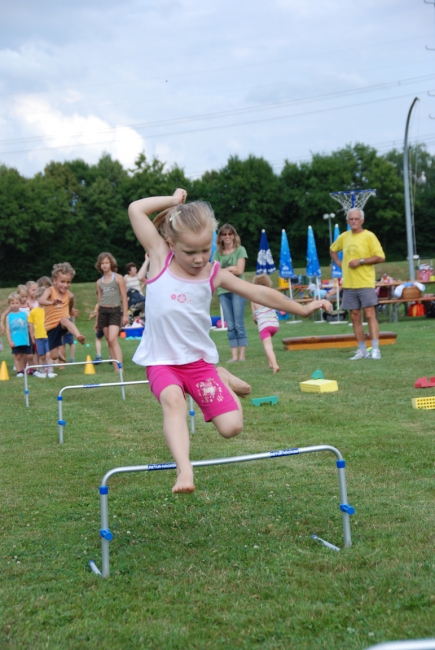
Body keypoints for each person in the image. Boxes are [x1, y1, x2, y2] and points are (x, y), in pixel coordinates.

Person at [128, 189, 332, 494]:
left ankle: (221, 375)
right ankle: (185, 471)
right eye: (189, 252)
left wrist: (301, 308)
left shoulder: (214, 274)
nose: (198, 259)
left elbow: (260, 293)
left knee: (232, 427)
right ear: (171, 244)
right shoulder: (158, 257)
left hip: (198, 363)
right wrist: (172, 202)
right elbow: (135, 209)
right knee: (173, 402)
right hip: (162, 361)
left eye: (204, 250)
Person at [330, 207, 385, 360]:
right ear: (347, 221)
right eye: (351, 219)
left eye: (356, 219)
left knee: (370, 314)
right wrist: (338, 262)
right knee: (354, 316)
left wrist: (361, 261)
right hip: (349, 284)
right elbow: (333, 249)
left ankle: (375, 350)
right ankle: (362, 350)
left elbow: (380, 257)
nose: (353, 221)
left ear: (362, 220)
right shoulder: (344, 237)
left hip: (365, 282)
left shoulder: (369, 236)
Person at [213, 224, 249, 362]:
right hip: (223, 290)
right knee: (230, 324)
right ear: (220, 237)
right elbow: (214, 271)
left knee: (239, 323)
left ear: (234, 235)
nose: (227, 237)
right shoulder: (217, 253)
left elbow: (240, 271)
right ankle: (234, 356)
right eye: (224, 234)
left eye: (230, 234)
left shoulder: (240, 250)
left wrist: (224, 270)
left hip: (238, 289)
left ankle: (242, 355)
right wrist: (231, 268)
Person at [38, 262, 86, 362]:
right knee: (53, 356)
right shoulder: (50, 290)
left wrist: (70, 310)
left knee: (65, 320)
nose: (65, 285)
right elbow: (41, 301)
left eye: (68, 282)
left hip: (62, 322)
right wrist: (52, 302)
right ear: (55, 280)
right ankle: (58, 354)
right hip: (51, 326)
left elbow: (70, 303)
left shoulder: (70, 295)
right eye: (62, 282)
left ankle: (78, 336)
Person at [95, 252, 129, 372]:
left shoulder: (119, 278)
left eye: (106, 263)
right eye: (102, 263)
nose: (104, 265)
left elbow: (124, 298)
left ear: (111, 263)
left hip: (115, 311)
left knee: (113, 339)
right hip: (103, 312)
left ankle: (121, 368)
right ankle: (116, 369)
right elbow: (99, 302)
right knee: (108, 340)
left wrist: (125, 315)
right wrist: (96, 320)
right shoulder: (99, 282)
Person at [251, 274, 281, 373]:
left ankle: (275, 365)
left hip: (264, 325)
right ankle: (270, 363)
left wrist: (256, 320)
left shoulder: (253, 298)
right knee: (266, 345)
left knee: (268, 346)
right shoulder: (271, 295)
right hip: (275, 325)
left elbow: (254, 317)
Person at [28, 287, 57, 378]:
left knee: (49, 354)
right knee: (42, 356)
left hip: (48, 336)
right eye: (39, 297)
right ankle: (43, 370)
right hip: (38, 337)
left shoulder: (49, 309)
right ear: (36, 298)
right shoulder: (33, 311)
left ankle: (50, 370)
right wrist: (32, 335)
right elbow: (31, 324)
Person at [5, 292, 32, 378]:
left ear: (20, 303)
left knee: (29, 355)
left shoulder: (24, 315)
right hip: (15, 340)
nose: (15, 305)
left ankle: (30, 369)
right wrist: (10, 341)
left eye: (17, 303)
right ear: (9, 304)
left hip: (25, 339)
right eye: (12, 303)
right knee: (17, 356)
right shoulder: (8, 316)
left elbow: (30, 326)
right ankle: (19, 371)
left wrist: (32, 336)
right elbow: (8, 329)